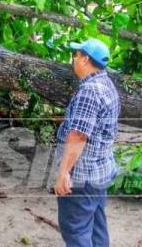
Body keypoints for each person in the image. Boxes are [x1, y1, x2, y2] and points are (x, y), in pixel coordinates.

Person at [54, 38, 120, 247]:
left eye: (76, 55)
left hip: (83, 176)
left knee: (76, 229)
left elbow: (79, 135)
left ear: (85, 59)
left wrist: (64, 173)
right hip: (100, 172)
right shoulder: (106, 84)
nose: (73, 59)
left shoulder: (90, 91)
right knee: (96, 226)